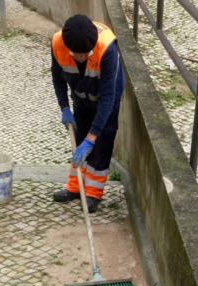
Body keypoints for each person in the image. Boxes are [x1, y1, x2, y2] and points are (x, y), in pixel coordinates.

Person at [51, 14, 124, 213]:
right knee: (79, 139)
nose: (82, 57)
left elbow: (108, 96)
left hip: (106, 97)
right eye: (77, 54)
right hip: (81, 96)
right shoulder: (58, 43)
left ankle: (92, 194)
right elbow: (57, 77)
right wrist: (64, 107)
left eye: (86, 54)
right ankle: (75, 188)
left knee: (100, 143)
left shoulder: (107, 48)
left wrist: (93, 137)